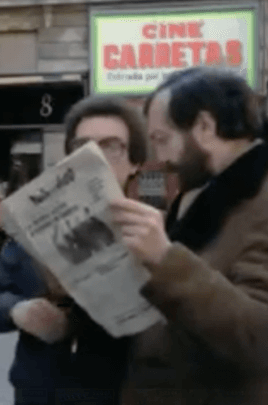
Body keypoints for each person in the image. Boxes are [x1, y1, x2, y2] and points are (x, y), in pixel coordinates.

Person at [0, 95, 148, 405]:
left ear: (135, 162)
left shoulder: (153, 233)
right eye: (83, 146)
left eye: (111, 146)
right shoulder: (38, 225)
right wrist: (17, 311)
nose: (95, 155)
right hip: (38, 390)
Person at [110, 68, 268, 405]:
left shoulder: (260, 197)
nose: (158, 158)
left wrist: (165, 260)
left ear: (205, 128)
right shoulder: (175, 181)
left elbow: (259, 339)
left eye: (162, 139)